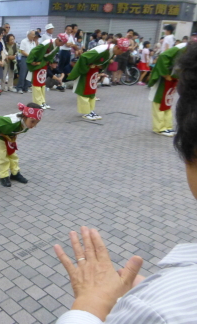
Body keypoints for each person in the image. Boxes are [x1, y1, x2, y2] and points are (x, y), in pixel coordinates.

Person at [55, 43, 197, 324]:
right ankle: (90, 111)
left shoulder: (156, 311)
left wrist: (91, 304)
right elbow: (83, 61)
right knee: (91, 91)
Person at [68, 39, 130, 121]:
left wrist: (100, 67)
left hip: (93, 71)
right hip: (86, 71)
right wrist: (87, 68)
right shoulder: (103, 49)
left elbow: (103, 62)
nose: (121, 54)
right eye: (121, 51)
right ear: (117, 47)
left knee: (92, 90)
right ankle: (86, 112)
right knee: (84, 90)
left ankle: (90, 110)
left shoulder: (112, 51)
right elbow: (84, 57)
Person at [0, 102, 42, 187]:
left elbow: (17, 130)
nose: (34, 125)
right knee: (2, 156)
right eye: (32, 122)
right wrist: (0, 133)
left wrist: (13, 137)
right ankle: (3, 176)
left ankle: (15, 173)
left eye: (36, 123)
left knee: (12, 155)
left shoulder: (26, 123)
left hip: (10, 136)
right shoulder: (11, 122)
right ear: (24, 117)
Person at [148, 41, 187, 137]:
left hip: (172, 78)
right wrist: (165, 74)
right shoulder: (182, 47)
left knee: (168, 101)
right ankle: (159, 128)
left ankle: (167, 126)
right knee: (159, 101)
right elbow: (163, 56)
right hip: (164, 79)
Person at [26, 33, 68, 108]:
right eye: (62, 43)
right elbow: (33, 51)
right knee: (37, 84)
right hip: (38, 64)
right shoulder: (47, 43)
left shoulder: (57, 47)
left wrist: (50, 62)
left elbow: (51, 57)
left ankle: (42, 101)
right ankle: (37, 102)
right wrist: (31, 61)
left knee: (42, 83)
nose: (62, 45)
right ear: (59, 40)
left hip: (44, 64)